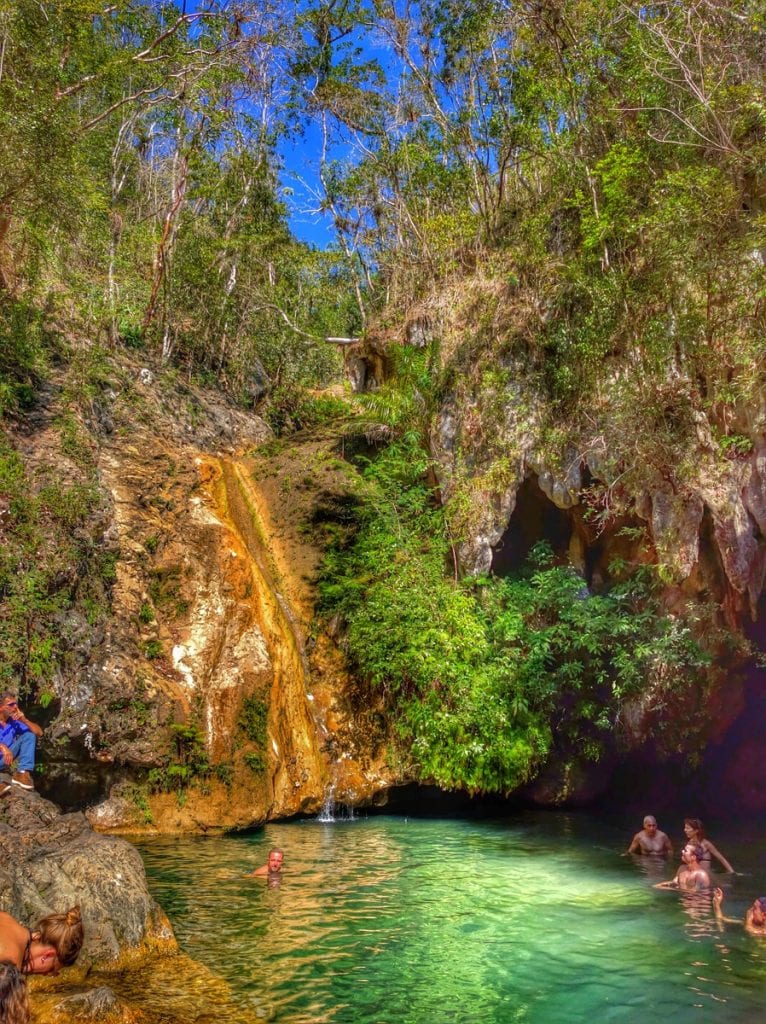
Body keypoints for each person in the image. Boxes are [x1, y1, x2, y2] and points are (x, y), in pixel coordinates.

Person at [0, 907, 84, 975]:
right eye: (51, 969)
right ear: (48, 954)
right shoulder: (10, 964)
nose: (44, 974)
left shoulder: (5, 917)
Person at [0, 694, 43, 793]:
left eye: (15, 704)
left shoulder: (14, 722)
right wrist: (2, 747)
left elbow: (39, 733)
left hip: (3, 761)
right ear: (1, 708)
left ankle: (22, 773)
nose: (15, 707)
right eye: (11, 704)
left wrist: (24, 720)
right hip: (4, 754)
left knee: (29, 736)